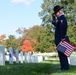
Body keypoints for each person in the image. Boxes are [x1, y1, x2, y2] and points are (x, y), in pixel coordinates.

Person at [52, 5, 70, 71]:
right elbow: (58, 26)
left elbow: (63, 28)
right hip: (60, 39)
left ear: (58, 12)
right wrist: (54, 22)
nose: (56, 14)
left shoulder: (62, 18)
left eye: (56, 13)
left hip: (61, 39)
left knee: (62, 54)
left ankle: (65, 67)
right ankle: (64, 67)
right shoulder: (60, 19)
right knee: (61, 54)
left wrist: (62, 38)